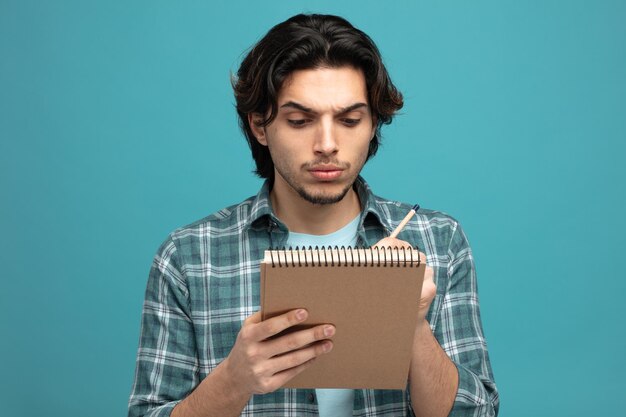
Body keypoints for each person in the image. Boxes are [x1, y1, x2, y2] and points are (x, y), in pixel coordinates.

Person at [128, 13, 498, 417]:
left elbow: (477, 412)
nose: (327, 144)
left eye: (350, 120)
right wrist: (234, 379)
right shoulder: (189, 257)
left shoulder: (440, 242)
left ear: (374, 124)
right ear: (259, 126)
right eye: (300, 121)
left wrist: (410, 325)